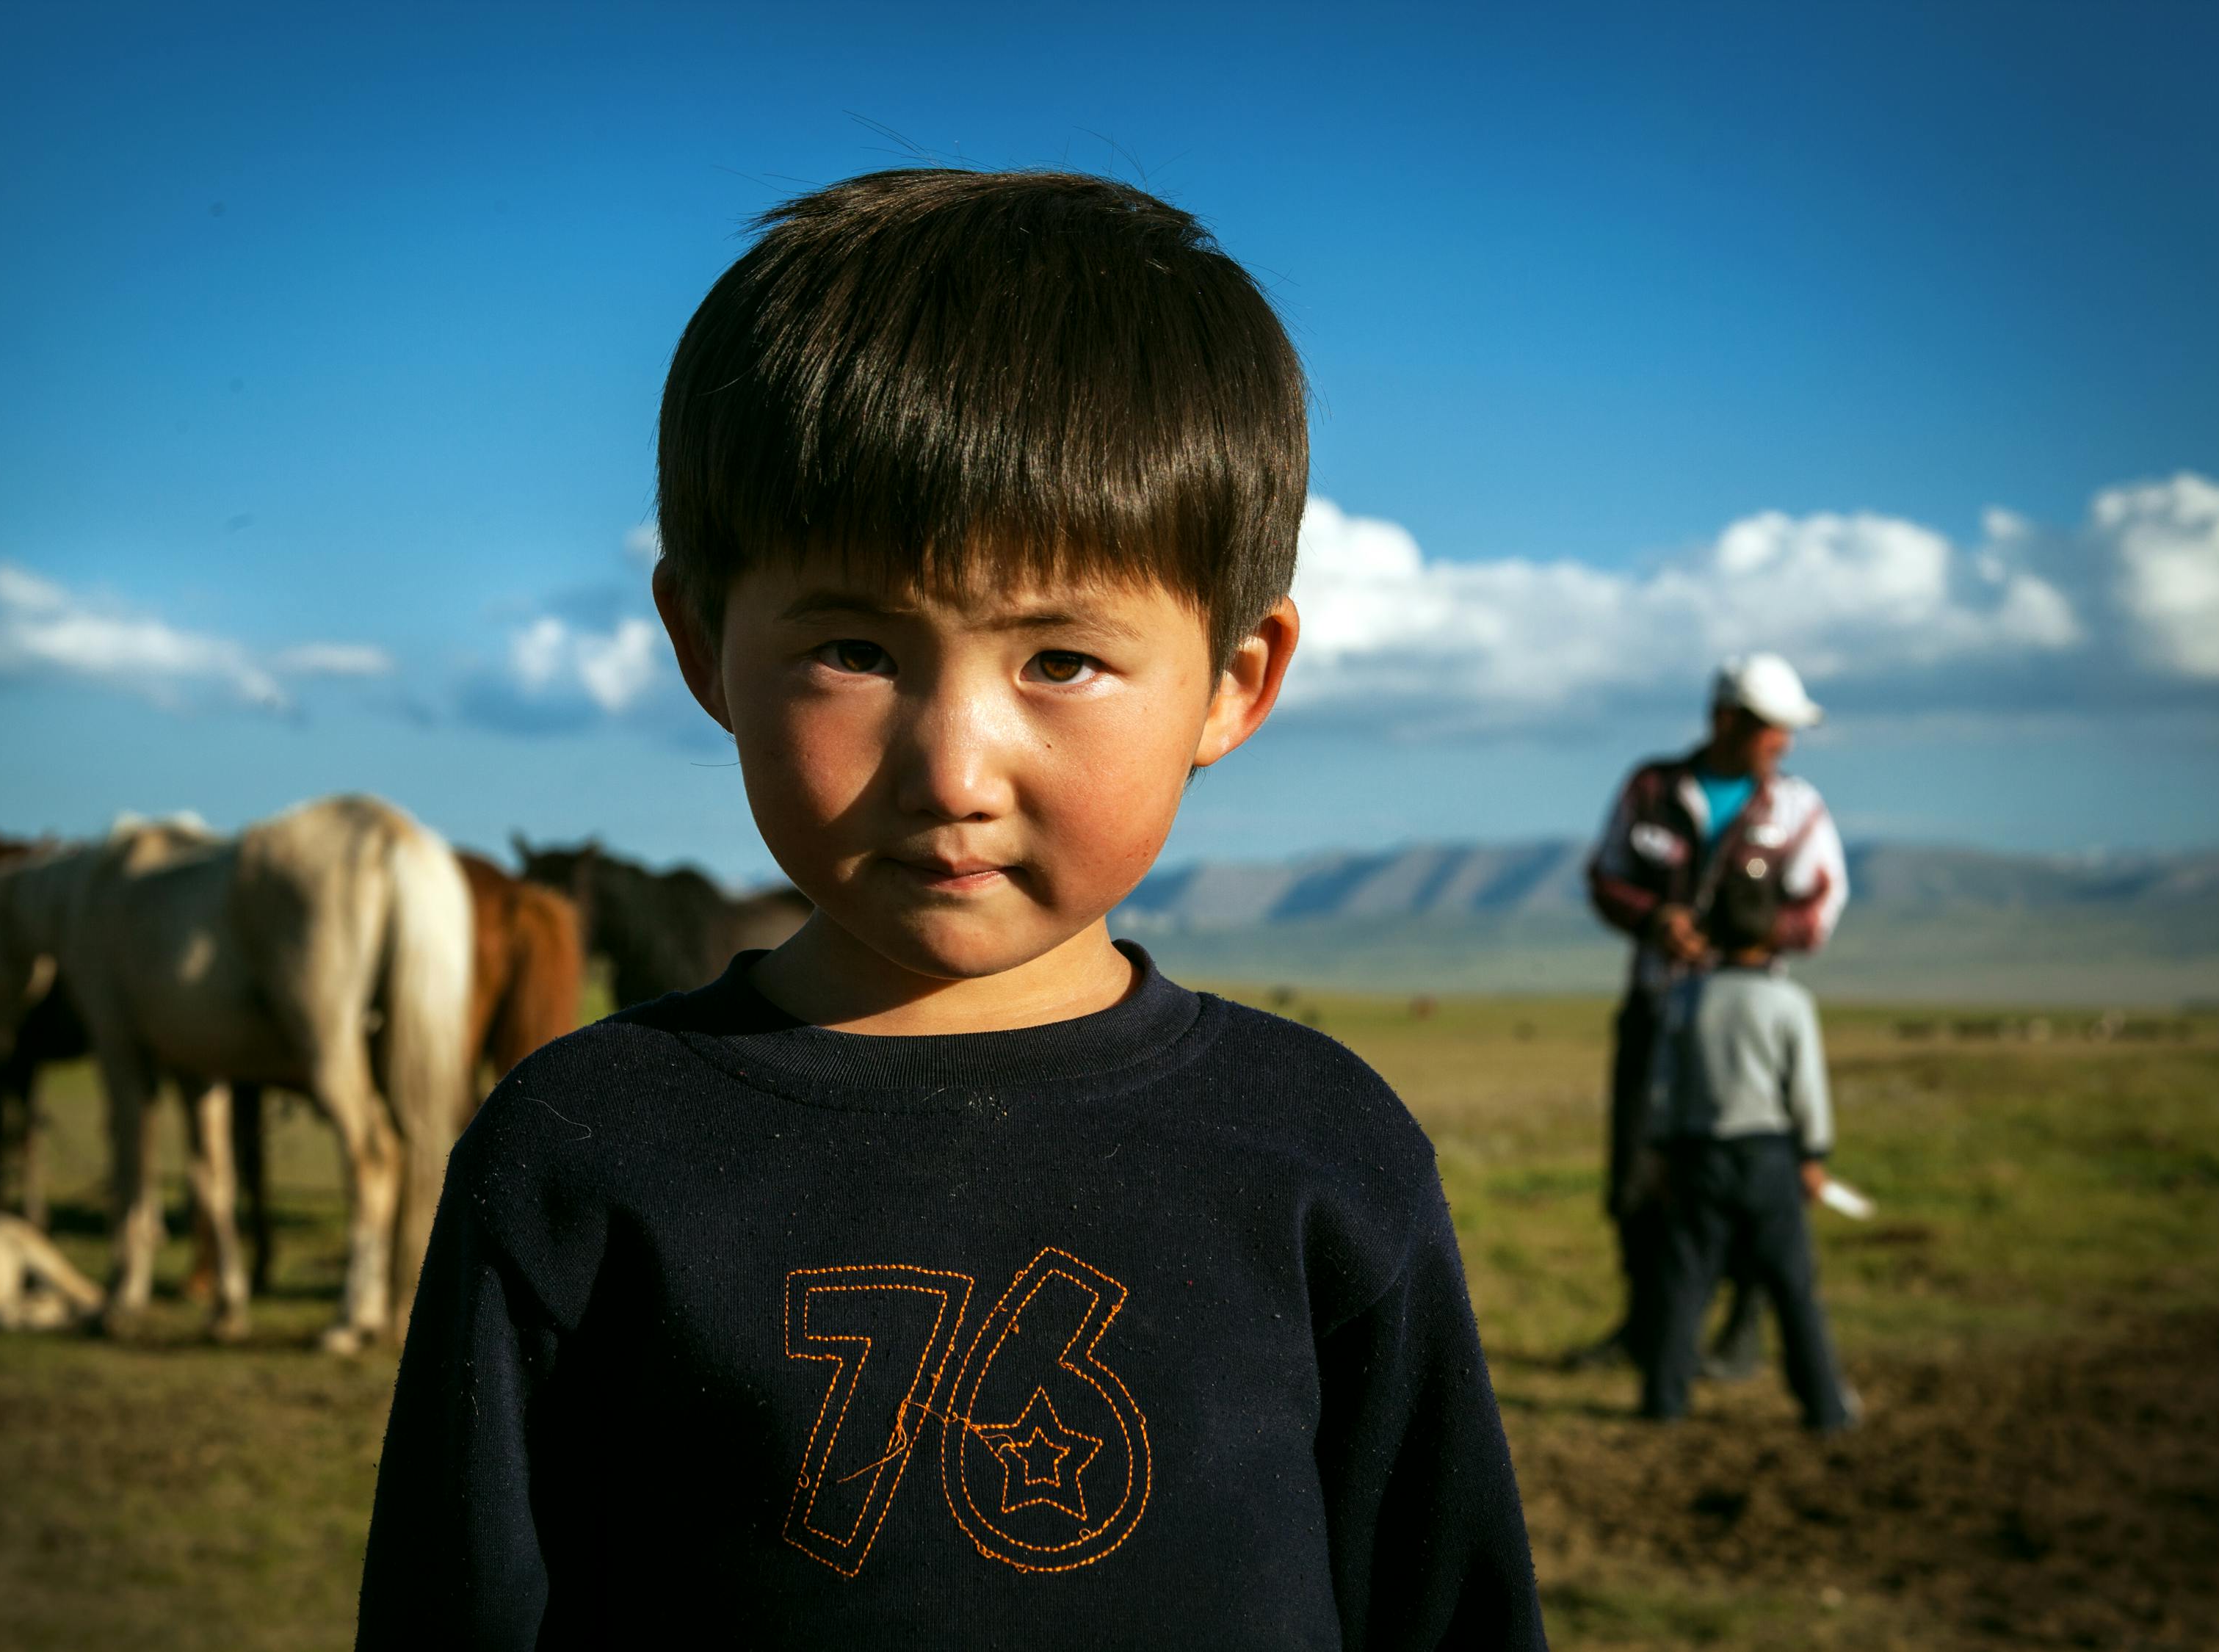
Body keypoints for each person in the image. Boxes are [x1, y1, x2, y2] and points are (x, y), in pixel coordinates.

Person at [356, 169, 1545, 1651]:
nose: (951, 767)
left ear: (1235, 683)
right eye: (854, 647)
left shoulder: (1320, 1149)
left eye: (1059, 661)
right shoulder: (577, 1155)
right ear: (704, 645)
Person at [1577, 653, 1847, 1374]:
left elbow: (1819, 910)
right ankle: (1646, 1326)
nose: (1783, 744)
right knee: (1638, 1169)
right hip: (1657, 1008)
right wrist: (1654, 919)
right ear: (1729, 721)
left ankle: (1742, 1330)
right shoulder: (1652, 789)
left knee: (1748, 1173)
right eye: (1773, 729)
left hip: (1745, 1026)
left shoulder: (1797, 810)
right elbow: (1605, 877)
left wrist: (1745, 940)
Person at [1634, 861, 1855, 1431]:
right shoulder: (1789, 1003)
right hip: (1768, 1157)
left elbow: (1660, 1085)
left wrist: (1655, 1152)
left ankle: (1664, 1401)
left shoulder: (1683, 999)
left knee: (1683, 1283)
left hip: (1694, 1155)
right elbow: (1806, 1087)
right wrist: (1814, 1155)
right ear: (1772, 932)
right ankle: (1825, 1407)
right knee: (1793, 1286)